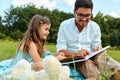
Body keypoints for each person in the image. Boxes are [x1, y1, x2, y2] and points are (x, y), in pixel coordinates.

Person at [56, 0, 120, 80]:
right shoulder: (64, 25)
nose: (84, 19)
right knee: (93, 71)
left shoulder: (95, 27)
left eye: (87, 15)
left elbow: (96, 46)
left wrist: (98, 48)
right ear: (74, 12)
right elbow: (61, 50)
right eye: (80, 15)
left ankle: (117, 73)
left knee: (103, 57)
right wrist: (76, 54)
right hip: (73, 59)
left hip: (90, 55)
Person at [0, 14, 71, 80]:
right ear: (37, 28)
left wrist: (57, 54)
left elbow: (48, 53)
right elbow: (39, 63)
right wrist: (56, 59)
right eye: (46, 29)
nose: (48, 32)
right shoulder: (30, 43)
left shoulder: (37, 44)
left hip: (30, 67)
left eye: (48, 30)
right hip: (20, 69)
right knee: (43, 68)